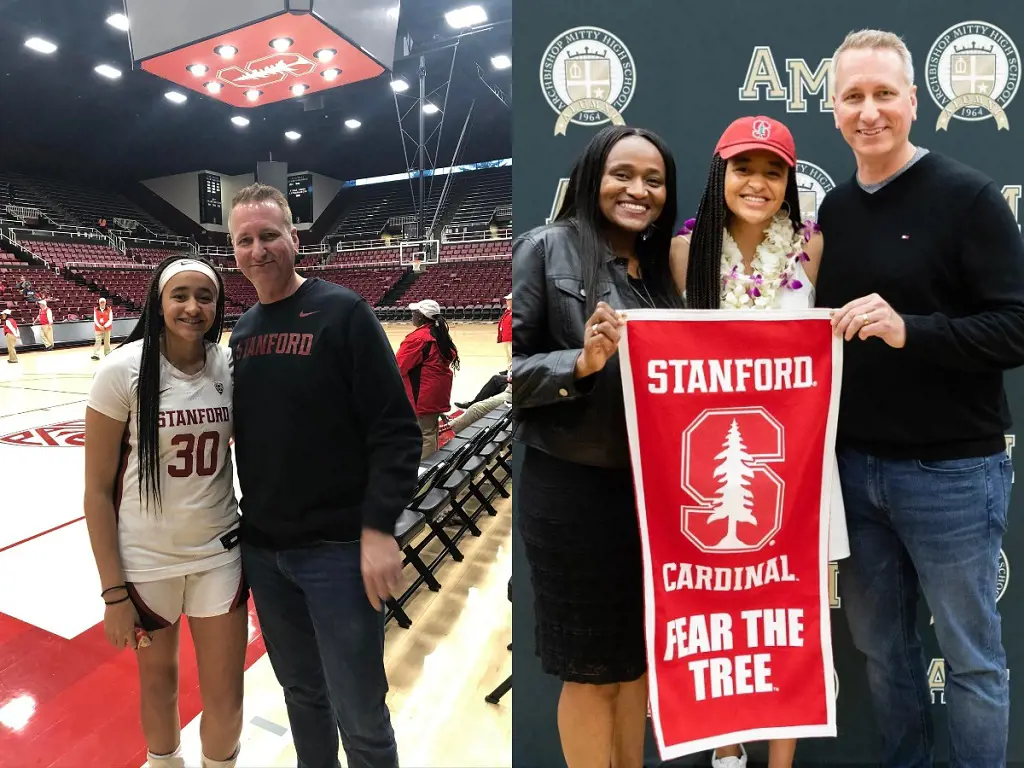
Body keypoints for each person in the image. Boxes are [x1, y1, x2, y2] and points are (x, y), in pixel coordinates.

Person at [814, 29, 1024, 767]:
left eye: (883, 95)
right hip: (855, 474)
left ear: (915, 102)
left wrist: (913, 331)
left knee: (971, 661)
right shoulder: (832, 214)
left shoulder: (968, 198)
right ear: (833, 109)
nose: (869, 112)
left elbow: (1016, 327)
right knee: (882, 655)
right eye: (853, 97)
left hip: (953, 474)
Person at [670, 114, 850, 768]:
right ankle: (725, 748)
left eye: (774, 171)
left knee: (793, 617)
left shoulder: (813, 247)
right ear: (721, 172)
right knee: (720, 611)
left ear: (789, 184)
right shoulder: (685, 251)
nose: (758, 182)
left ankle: (781, 761)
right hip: (712, 462)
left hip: (797, 462)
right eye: (745, 167)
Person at [226, 183, 421, 768]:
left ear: (294, 238)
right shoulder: (241, 333)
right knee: (303, 698)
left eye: (268, 235)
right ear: (232, 250)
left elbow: (395, 428)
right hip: (265, 553)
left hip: (338, 551)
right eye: (244, 240)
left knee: (359, 712)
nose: (257, 249)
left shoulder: (343, 312)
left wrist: (379, 527)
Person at [513, 124, 683, 768]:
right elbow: (515, 375)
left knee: (635, 657)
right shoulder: (544, 248)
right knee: (588, 670)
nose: (637, 190)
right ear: (592, 177)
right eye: (622, 174)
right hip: (572, 492)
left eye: (653, 179)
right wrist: (579, 363)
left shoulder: (661, 269)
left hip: (649, 494)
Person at [83, 255, 246, 768]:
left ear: (218, 306)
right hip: (146, 562)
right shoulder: (120, 371)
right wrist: (113, 593)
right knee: (159, 687)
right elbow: (95, 492)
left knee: (227, 695)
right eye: (181, 295)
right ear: (159, 300)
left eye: (205, 296)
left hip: (218, 554)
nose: (192, 306)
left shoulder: (230, 365)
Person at [395, 298, 461, 458]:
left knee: (424, 434)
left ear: (422, 316)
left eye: (415, 312)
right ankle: (432, 466)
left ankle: (426, 472)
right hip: (435, 392)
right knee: (430, 431)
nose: (412, 315)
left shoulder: (418, 338)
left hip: (422, 395)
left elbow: (399, 366)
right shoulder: (438, 335)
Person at [497, 292, 512, 368]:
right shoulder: (508, 311)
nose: (507, 302)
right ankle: (509, 370)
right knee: (508, 355)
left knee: (512, 355)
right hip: (506, 337)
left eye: (509, 300)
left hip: (511, 338)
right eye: (507, 300)